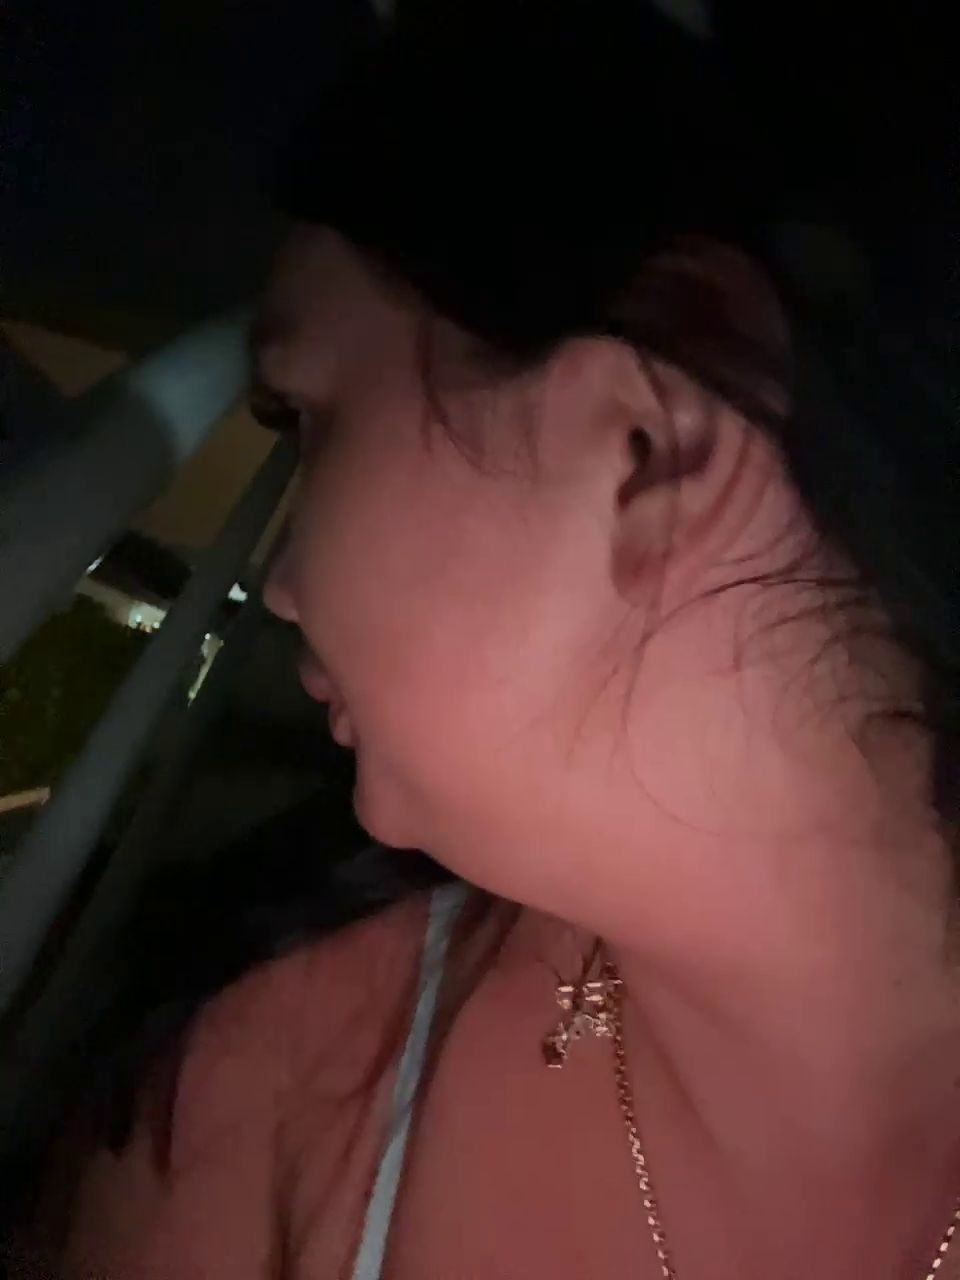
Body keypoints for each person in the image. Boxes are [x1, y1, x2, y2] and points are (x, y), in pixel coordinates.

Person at [9, 1, 958, 1277]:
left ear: (643, 446)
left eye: (308, 414)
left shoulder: (287, 1114)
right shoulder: (250, 1103)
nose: (279, 583)